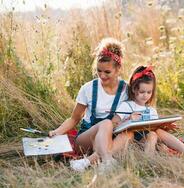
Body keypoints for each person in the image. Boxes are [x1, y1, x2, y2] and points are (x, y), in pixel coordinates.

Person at [49, 38, 131, 172]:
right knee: (106, 123)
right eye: (99, 71)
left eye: (107, 72)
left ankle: (88, 161)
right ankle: (108, 160)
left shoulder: (126, 90)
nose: (102, 75)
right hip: (87, 138)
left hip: (112, 137)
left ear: (118, 69)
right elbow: (74, 119)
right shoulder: (88, 89)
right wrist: (57, 132)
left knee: (129, 134)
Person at [112, 65, 184, 157]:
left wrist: (165, 126)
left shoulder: (151, 110)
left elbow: (154, 128)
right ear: (133, 89)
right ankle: (149, 159)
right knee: (153, 134)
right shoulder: (127, 106)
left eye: (149, 92)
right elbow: (113, 125)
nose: (145, 95)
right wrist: (129, 119)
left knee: (155, 133)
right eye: (142, 92)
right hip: (131, 141)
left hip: (147, 142)